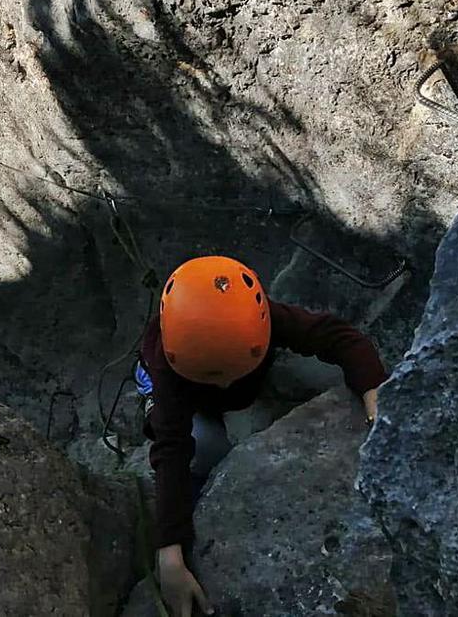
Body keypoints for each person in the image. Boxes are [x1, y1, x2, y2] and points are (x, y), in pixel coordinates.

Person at [135, 255, 387, 617]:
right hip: (171, 389)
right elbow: (171, 449)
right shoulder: (169, 367)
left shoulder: (263, 317)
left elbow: (340, 338)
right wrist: (169, 549)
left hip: (228, 383)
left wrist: (373, 390)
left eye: (230, 373)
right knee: (207, 450)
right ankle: (146, 393)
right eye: (214, 376)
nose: (223, 382)